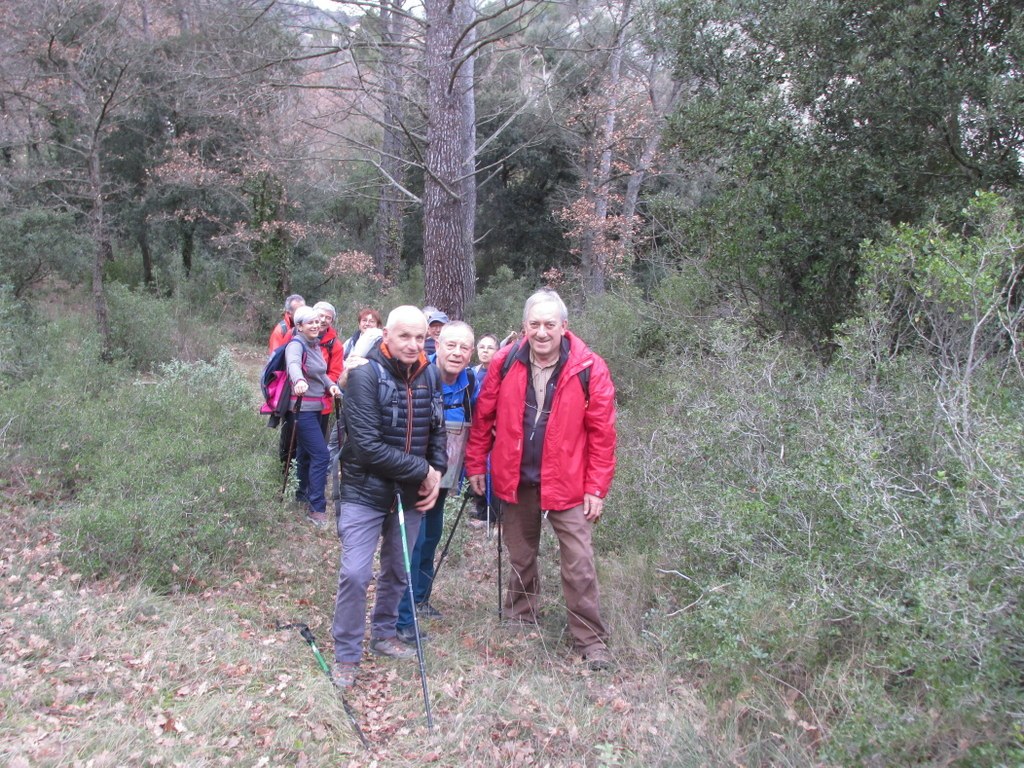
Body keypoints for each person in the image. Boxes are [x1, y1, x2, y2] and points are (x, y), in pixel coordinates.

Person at [465, 289, 617, 671]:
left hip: (569, 483)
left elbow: (603, 433)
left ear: (564, 327)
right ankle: (520, 615)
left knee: (579, 562)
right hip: (515, 478)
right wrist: (473, 466)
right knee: (520, 555)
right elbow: (483, 419)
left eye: (550, 324)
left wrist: (596, 487)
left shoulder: (589, 367)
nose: (542, 332)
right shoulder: (504, 362)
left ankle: (590, 640)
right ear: (524, 326)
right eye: (535, 324)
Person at [330, 305, 448, 689]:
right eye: (405, 336)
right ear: (387, 336)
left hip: (409, 495)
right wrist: (423, 472)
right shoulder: (364, 376)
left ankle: (384, 634)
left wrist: (437, 472)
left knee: (399, 569)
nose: (414, 344)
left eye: (420, 337)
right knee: (355, 573)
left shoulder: (430, 372)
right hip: (364, 491)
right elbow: (365, 446)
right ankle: (346, 654)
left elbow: (438, 429)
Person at [395, 321, 476, 644]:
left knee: (431, 535)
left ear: (470, 354)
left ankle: (420, 598)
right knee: (411, 540)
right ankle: (402, 618)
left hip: (448, 472)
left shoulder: (472, 383)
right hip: (415, 470)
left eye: (464, 347)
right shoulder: (416, 374)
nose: (456, 353)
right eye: (450, 345)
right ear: (437, 345)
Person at [285, 306, 342, 529]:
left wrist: (332, 386)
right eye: (311, 323)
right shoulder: (296, 345)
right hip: (302, 408)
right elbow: (292, 365)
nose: (316, 326)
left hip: (317, 405)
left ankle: (302, 493)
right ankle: (317, 508)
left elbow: (320, 374)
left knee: (305, 452)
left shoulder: (315, 345)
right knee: (321, 455)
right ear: (299, 326)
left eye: (318, 322)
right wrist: (298, 380)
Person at [468, 333, 498, 524]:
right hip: (473, 429)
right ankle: (480, 508)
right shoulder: (471, 372)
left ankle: (491, 514)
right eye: (482, 347)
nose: (485, 351)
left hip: (491, 431)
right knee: (474, 467)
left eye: (490, 347)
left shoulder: (500, 372)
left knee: (491, 472)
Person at [313, 301, 345, 440]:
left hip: (321, 401)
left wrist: (318, 387)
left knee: (317, 440)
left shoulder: (335, 345)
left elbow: (336, 373)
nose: (324, 320)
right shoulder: (297, 336)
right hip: (296, 398)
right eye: (321, 316)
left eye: (328, 317)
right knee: (291, 442)